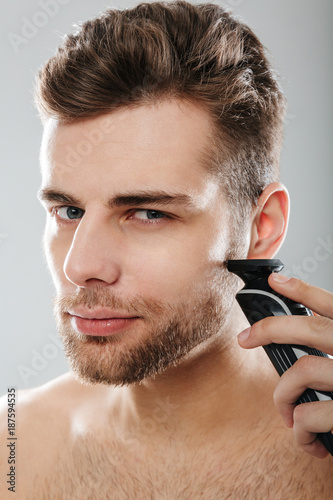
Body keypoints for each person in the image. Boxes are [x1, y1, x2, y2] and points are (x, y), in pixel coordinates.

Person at [1, 1, 333, 498]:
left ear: (261, 226)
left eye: (149, 213)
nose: (80, 267)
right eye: (69, 211)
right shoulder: (13, 444)